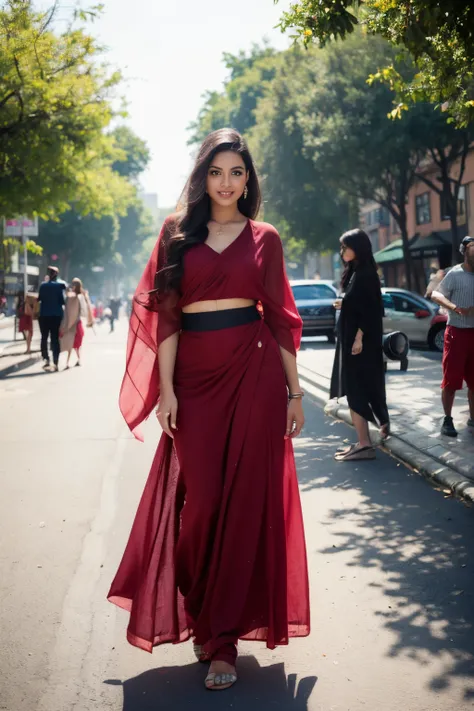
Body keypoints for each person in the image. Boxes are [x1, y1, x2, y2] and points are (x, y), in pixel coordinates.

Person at [107, 128, 310, 691]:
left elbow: (281, 317)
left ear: (248, 180)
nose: (227, 182)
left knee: (244, 504)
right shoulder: (176, 234)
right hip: (194, 380)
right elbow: (166, 316)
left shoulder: (265, 236)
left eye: (237, 173)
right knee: (202, 505)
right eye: (217, 172)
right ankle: (199, 603)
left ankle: (222, 639)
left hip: (255, 371)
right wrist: (166, 391)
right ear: (203, 177)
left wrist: (295, 393)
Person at [330, 229, 389, 461]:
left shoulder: (366, 274)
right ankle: (363, 441)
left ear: (358, 247)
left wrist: (358, 338)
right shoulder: (356, 272)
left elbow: (373, 310)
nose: (342, 251)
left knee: (356, 391)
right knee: (356, 390)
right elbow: (359, 303)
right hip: (353, 341)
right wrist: (344, 304)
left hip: (359, 345)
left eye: (345, 246)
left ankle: (365, 445)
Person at [431, 235, 474, 437]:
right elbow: (436, 295)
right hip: (456, 333)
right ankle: (447, 420)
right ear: (464, 250)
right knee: (451, 380)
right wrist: (455, 307)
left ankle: (473, 420)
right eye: (473, 247)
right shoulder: (455, 274)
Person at [37, 266, 66, 371]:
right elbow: (62, 301)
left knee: (44, 337)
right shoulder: (60, 286)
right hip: (56, 316)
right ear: (57, 274)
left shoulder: (43, 286)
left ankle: (46, 358)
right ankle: (56, 361)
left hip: (44, 315)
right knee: (55, 338)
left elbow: (39, 299)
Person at [60, 278, 93, 369]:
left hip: (75, 324)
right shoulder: (77, 296)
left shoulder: (78, 296)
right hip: (73, 323)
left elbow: (84, 310)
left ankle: (75, 360)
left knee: (76, 344)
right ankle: (71, 361)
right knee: (73, 344)